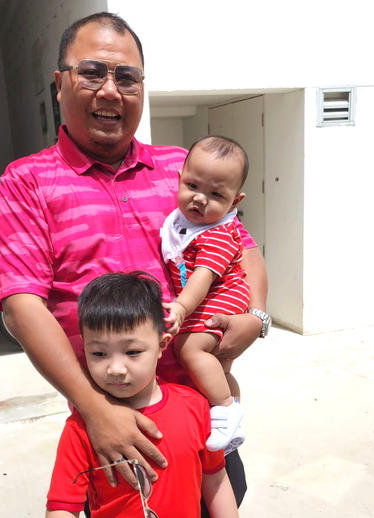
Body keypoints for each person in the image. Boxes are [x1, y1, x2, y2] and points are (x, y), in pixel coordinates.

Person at [0, 11, 269, 513]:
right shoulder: (26, 182)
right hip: (112, 428)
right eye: (92, 72)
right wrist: (96, 411)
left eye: (127, 76)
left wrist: (258, 316)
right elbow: (20, 306)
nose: (111, 90)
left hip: (198, 417)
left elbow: (243, 247)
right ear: (59, 84)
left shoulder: (181, 171)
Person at [45, 272, 238, 518]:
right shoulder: (82, 428)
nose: (115, 369)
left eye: (133, 351)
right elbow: (62, 506)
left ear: (162, 344)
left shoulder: (196, 407)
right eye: (99, 354)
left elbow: (215, 480)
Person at [162, 135, 250, 454]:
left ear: (234, 202)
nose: (200, 199)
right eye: (193, 186)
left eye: (215, 194)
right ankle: (234, 412)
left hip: (223, 296)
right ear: (179, 180)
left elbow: (203, 276)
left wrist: (182, 308)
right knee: (219, 365)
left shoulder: (217, 234)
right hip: (212, 296)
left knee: (191, 348)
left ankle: (224, 407)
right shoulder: (181, 224)